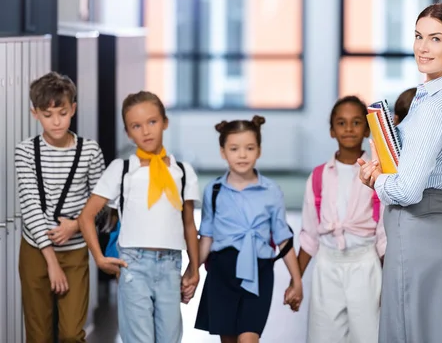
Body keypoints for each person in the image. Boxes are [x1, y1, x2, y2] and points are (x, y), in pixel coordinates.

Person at [358, 2, 442, 343]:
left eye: (436, 38)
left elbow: (406, 192)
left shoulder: (435, 106)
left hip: (418, 240)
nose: (422, 47)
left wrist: (376, 179)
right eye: (419, 36)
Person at [78, 91, 200, 343]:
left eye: (152, 122)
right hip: (133, 265)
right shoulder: (121, 170)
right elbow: (86, 217)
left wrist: (194, 268)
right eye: (136, 125)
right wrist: (99, 259)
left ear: (165, 122)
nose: (146, 131)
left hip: (170, 265)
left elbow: (189, 224)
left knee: (170, 338)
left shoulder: (183, 172)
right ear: (128, 132)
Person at [194, 116, 303, 343]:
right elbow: (206, 237)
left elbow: (283, 238)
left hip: (259, 271)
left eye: (249, 148)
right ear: (223, 152)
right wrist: (191, 271)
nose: (242, 155)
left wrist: (296, 280)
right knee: (229, 340)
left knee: (248, 339)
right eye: (234, 149)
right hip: (222, 272)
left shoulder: (271, 191)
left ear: (259, 151)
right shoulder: (214, 190)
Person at [16, 72, 106, 342]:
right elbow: (30, 205)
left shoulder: (89, 151)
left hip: (75, 250)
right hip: (36, 250)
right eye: (47, 114)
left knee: (70, 334)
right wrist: (51, 260)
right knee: (39, 334)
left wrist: (76, 225)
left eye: (62, 113)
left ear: (73, 109)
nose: (56, 121)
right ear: (35, 114)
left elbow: (101, 204)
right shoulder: (25, 151)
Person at [297, 96, 386, 342]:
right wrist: (296, 280)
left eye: (356, 122)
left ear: (367, 129)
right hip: (327, 266)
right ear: (331, 130)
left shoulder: (379, 175)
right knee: (323, 335)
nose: (348, 128)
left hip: (366, 265)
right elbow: (309, 235)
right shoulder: (317, 177)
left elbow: (383, 235)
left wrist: (389, 281)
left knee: (369, 334)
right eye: (341, 122)